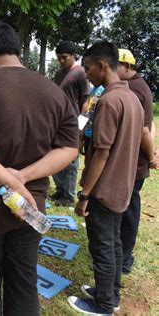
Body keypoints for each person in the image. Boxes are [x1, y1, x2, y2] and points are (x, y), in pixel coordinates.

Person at [0, 22, 79, 315]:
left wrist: (13, 180)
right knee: (23, 283)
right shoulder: (53, 91)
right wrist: (23, 178)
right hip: (31, 210)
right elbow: (69, 148)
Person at [68, 41, 144, 315]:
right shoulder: (131, 98)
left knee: (102, 246)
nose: (85, 74)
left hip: (105, 188)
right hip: (123, 185)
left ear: (102, 66)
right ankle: (109, 292)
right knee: (113, 242)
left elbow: (101, 153)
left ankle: (103, 305)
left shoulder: (110, 101)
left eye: (87, 68)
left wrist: (85, 194)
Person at [116, 48, 156, 274]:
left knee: (129, 209)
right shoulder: (139, 86)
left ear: (127, 67)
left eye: (115, 66)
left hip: (134, 163)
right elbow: (152, 125)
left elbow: (143, 131)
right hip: (132, 160)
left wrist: (151, 157)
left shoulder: (135, 89)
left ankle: (124, 259)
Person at [51, 41, 90, 207]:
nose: (61, 61)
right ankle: (60, 189)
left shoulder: (81, 73)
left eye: (64, 57)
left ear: (74, 55)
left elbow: (86, 100)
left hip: (74, 122)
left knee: (71, 161)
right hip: (57, 122)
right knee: (54, 155)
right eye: (58, 58)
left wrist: (81, 125)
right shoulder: (59, 74)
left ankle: (68, 195)